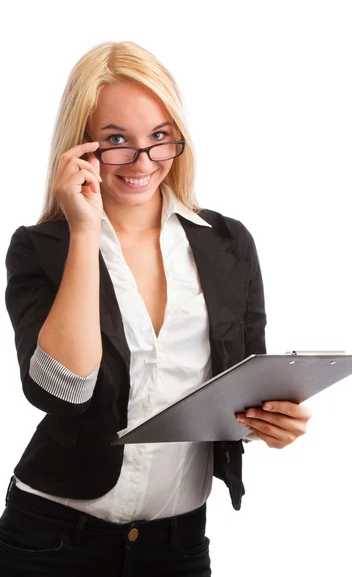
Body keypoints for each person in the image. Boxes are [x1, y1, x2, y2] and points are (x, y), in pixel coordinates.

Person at [0, 40, 312, 576]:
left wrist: (270, 423)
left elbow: (242, 384)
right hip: (51, 541)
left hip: (177, 545)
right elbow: (61, 390)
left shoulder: (227, 242)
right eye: (116, 140)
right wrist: (83, 230)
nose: (143, 162)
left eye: (160, 138)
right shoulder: (42, 247)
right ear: (82, 147)